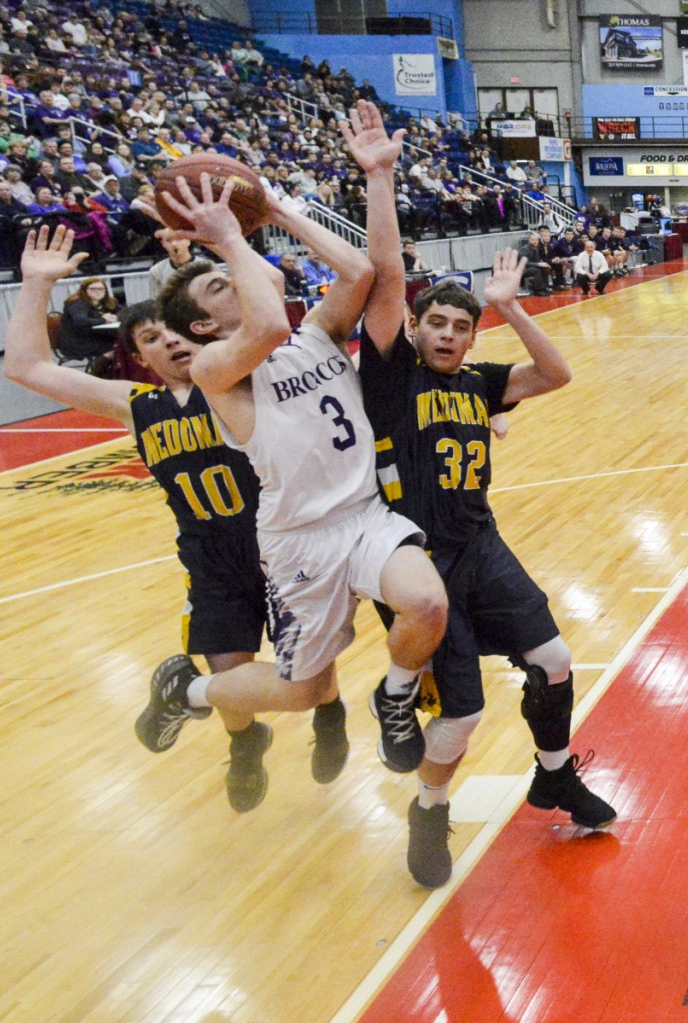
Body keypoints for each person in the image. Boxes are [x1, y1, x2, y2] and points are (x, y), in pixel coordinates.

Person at [143, 103, 449, 780]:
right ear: (199, 328)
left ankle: (393, 695)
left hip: (363, 514)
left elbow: (360, 272)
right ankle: (186, 690)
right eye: (221, 285)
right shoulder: (216, 369)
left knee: (426, 601)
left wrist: (273, 211)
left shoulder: (312, 331)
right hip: (300, 539)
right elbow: (262, 330)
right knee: (302, 691)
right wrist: (225, 240)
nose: (241, 271)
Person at [3, 225, 352, 810]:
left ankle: (331, 712)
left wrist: (222, 245)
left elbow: (265, 307)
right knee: (231, 675)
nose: (168, 342)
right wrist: (36, 285)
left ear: (199, 329)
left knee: (308, 674)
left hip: (281, 544)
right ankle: (245, 744)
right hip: (211, 558)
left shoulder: (242, 380)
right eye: (150, 338)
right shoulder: (137, 406)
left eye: (174, 329)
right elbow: (27, 367)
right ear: (139, 357)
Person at [358, 218, 617, 886]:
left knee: (555, 661)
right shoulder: (390, 384)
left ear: (473, 336)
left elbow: (554, 373)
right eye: (435, 322)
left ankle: (555, 775)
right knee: (463, 712)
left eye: (459, 326)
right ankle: (428, 808)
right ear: (414, 327)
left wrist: (508, 306)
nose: (446, 334)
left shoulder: (479, 381)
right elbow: (383, 280)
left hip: (482, 543)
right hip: (421, 562)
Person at [57, 278, 120, 368]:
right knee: (121, 346)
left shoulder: (107, 302)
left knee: (125, 341)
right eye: (93, 289)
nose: (98, 291)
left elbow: (124, 311)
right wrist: (103, 320)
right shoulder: (77, 304)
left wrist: (116, 317)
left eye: (101, 289)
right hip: (79, 342)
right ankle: (98, 370)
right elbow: (80, 321)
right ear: (84, 290)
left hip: (95, 337)